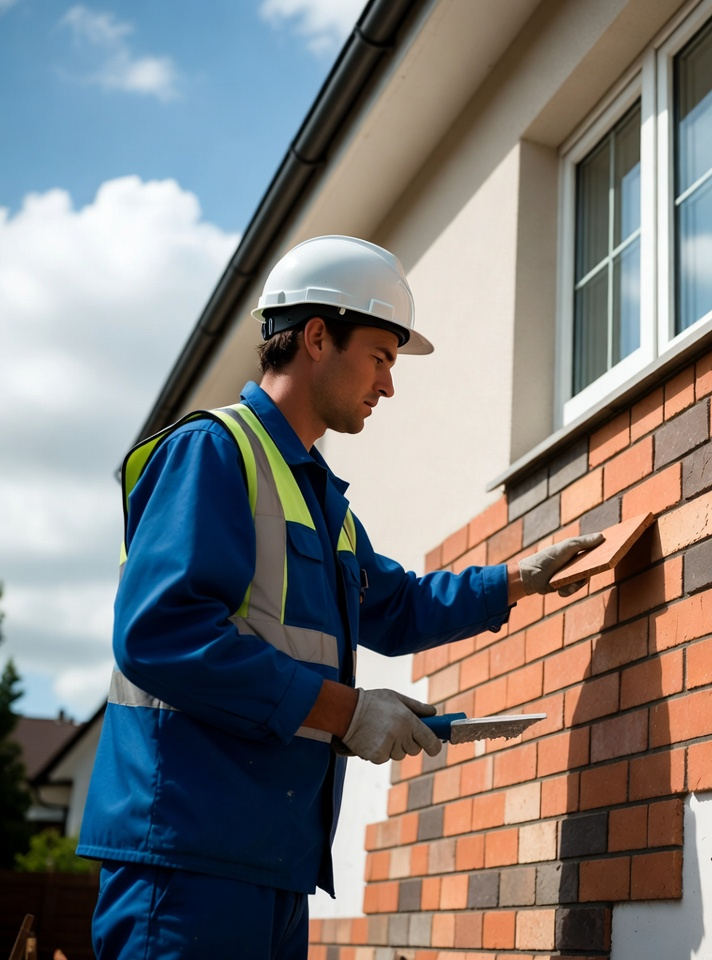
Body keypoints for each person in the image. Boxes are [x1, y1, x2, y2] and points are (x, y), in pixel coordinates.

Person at [77, 236, 601, 960]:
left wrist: (518, 581)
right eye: (382, 357)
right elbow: (162, 636)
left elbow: (398, 606)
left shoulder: (321, 503)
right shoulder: (216, 451)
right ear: (318, 338)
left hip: (272, 860)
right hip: (188, 860)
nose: (389, 385)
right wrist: (348, 712)